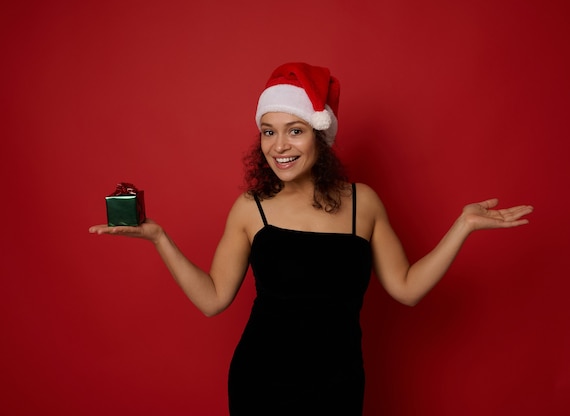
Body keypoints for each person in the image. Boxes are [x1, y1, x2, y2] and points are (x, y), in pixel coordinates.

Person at [89, 62, 533, 415]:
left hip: (338, 384)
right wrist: (159, 237)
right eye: (269, 131)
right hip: (261, 383)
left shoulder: (365, 203)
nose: (279, 145)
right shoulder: (251, 208)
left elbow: (407, 289)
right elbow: (212, 299)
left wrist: (463, 226)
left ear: (321, 136)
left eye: (294, 130)